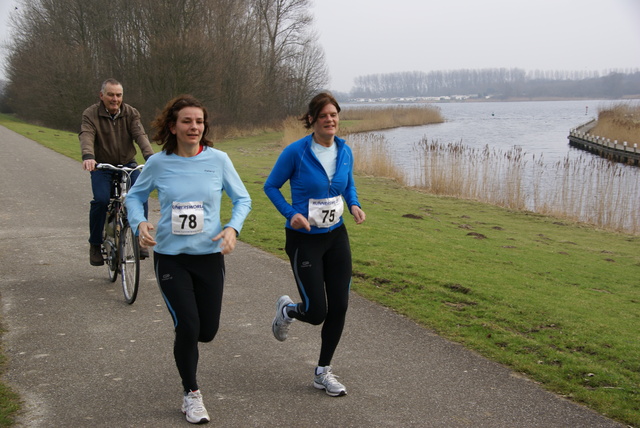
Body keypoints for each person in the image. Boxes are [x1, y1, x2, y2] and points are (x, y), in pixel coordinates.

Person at [125, 95, 251, 424]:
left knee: (206, 331)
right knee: (188, 325)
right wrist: (139, 222)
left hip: (209, 257)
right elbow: (135, 197)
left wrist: (232, 229)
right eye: (187, 121)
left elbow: (242, 198)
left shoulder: (218, 160)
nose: (194, 126)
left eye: (199, 121)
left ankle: (188, 347)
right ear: (173, 126)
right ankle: (191, 394)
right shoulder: (158, 163)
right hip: (170, 258)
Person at [264, 92, 366, 397]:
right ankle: (288, 311)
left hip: (336, 237)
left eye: (334, 115)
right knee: (316, 311)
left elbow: (347, 184)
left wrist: (354, 204)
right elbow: (271, 186)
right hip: (304, 241)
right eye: (324, 116)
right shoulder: (296, 152)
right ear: (312, 119)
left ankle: (323, 371)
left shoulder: (344, 151)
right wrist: (291, 213)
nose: (331, 120)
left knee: (341, 306)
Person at [79, 78, 154, 266]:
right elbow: (87, 134)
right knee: (101, 200)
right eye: (111, 94)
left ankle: (139, 237)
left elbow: (140, 135)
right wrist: (88, 156)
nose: (115, 99)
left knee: (140, 196)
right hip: (102, 166)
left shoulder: (131, 113)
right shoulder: (91, 114)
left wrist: (150, 158)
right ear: (101, 95)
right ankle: (95, 244)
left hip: (127, 164)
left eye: (118, 95)